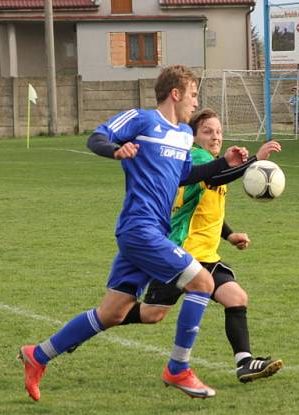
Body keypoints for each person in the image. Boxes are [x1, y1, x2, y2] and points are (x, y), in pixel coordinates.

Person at [18, 65, 251, 401]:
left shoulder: (185, 135)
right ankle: (178, 369)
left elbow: (184, 174)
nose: (195, 101)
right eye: (194, 94)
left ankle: (37, 356)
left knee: (113, 313)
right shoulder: (142, 120)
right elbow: (96, 136)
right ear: (176, 93)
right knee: (202, 282)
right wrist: (115, 149)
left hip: (155, 229)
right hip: (139, 227)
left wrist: (223, 163)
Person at [117, 108, 284, 383]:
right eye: (207, 131)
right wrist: (256, 161)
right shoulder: (195, 157)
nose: (215, 136)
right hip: (180, 253)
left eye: (218, 131)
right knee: (152, 314)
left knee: (236, 297)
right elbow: (215, 177)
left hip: (207, 255)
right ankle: (105, 317)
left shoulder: (214, 163)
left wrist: (228, 235)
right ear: (194, 137)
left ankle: (245, 363)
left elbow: (207, 210)